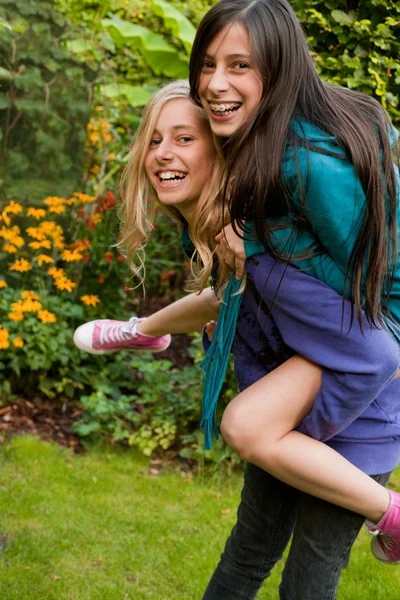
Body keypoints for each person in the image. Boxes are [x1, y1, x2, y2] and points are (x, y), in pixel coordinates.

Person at [73, 77, 400, 595]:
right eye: (154, 140)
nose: (162, 153)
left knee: (307, 584)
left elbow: (371, 343)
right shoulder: (213, 232)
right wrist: (142, 330)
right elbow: (227, 298)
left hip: (357, 420)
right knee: (246, 555)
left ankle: (395, 517)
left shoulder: (263, 235)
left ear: (221, 149)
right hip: (288, 415)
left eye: (183, 138)